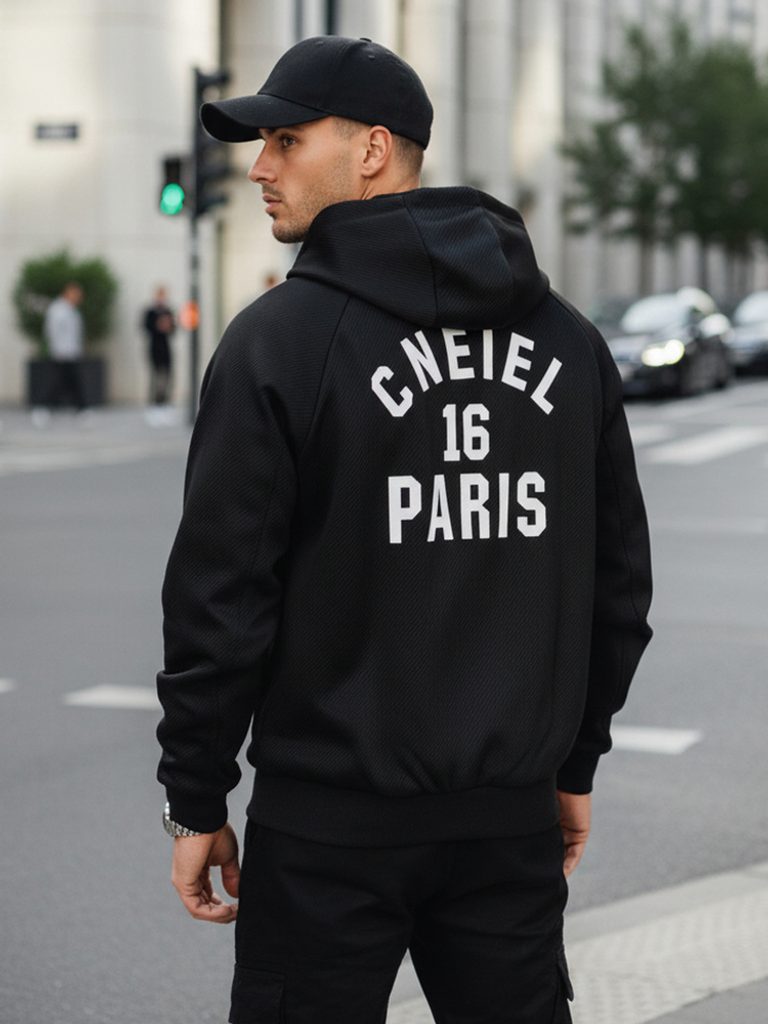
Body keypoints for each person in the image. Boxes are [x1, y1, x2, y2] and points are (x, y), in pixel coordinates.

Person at [156, 35, 652, 1024]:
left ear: (373, 149)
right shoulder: (568, 344)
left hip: (327, 832)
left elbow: (222, 598)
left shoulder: (278, 344)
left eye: (286, 141)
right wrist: (572, 763)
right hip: (507, 825)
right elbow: (616, 587)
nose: (259, 168)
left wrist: (196, 796)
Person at [33, 282, 87, 423]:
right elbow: (52, 331)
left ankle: (81, 409)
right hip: (61, 353)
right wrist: (57, 350)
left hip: (71, 352)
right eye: (76, 294)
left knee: (71, 382)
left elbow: (75, 334)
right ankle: (43, 408)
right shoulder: (57, 309)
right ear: (67, 293)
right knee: (58, 382)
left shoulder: (72, 310)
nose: (78, 298)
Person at [142, 286, 175, 405]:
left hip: (165, 347)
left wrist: (168, 326)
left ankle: (165, 399)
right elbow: (146, 327)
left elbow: (173, 329)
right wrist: (158, 325)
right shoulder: (150, 312)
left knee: (167, 374)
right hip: (154, 347)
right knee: (155, 375)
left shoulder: (168, 311)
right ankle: (154, 400)